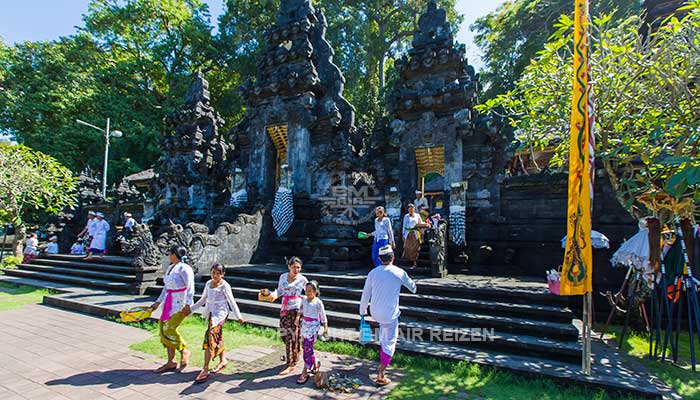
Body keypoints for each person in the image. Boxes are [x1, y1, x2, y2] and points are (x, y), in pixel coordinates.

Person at [359, 245, 417, 386]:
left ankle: (383, 354)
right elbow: (414, 288)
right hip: (390, 314)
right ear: (393, 257)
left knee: (384, 336)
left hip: (375, 312)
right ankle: (381, 374)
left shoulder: (373, 273)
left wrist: (362, 312)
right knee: (390, 343)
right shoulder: (399, 272)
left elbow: (365, 294)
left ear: (379, 259)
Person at [191, 263, 245, 383]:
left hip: (221, 314)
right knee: (216, 337)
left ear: (222, 274)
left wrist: (239, 316)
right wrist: (191, 309)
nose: (215, 275)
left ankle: (205, 368)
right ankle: (223, 360)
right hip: (211, 314)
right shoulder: (208, 284)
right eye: (213, 272)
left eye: (218, 273)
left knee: (210, 337)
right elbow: (203, 299)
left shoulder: (225, 286)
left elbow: (232, 302)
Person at [150, 245, 195, 373]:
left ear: (175, 255)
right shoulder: (170, 268)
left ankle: (184, 350)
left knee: (169, 328)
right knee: (163, 329)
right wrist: (158, 302)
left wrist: (188, 304)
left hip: (180, 302)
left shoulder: (185, 268)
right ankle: (171, 361)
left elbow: (190, 287)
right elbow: (166, 288)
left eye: (170, 253)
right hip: (169, 301)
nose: (168, 255)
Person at [260, 256, 308, 375]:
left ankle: (291, 363)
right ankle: (296, 351)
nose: (296, 270)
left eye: (298, 268)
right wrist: (271, 295)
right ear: (289, 266)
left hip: (296, 310)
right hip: (284, 308)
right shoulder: (282, 277)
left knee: (291, 336)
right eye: (294, 267)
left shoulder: (303, 279)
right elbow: (280, 291)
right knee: (284, 333)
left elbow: (309, 292)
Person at [297, 280, 328, 385]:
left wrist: (325, 328)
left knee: (307, 348)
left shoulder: (318, 302)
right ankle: (315, 362)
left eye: (310, 291)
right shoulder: (304, 300)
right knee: (305, 346)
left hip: (314, 327)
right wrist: (297, 318)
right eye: (306, 290)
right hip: (305, 326)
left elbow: (323, 315)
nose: (307, 293)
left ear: (316, 291)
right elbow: (300, 310)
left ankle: (305, 371)